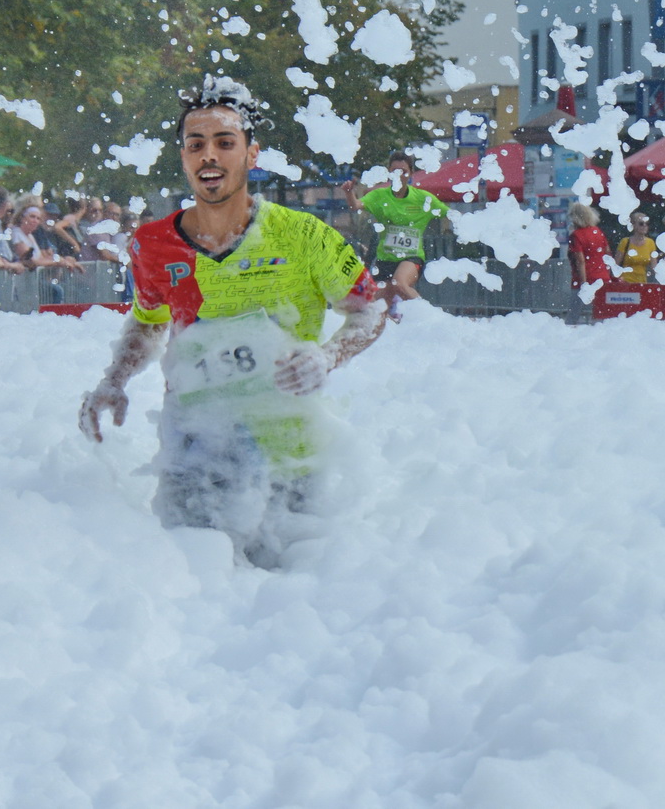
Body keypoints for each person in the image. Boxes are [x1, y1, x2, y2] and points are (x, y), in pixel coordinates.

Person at [78, 76, 385, 569]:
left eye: (225, 142)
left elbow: (369, 311)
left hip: (289, 454)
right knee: (192, 586)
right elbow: (148, 321)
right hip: (194, 450)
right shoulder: (154, 245)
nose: (209, 156)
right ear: (183, 157)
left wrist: (326, 357)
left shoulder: (303, 235)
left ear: (251, 154)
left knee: (296, 603)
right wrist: (113, 380)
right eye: (195, 144)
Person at [341, 150, 450, 303]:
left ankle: (431, 316)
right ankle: (400, 324)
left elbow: (452, 215)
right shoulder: (379, 196)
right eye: (395, 171)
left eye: (403, 172)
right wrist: (349, 193)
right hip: (384, 261)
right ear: (389, 173)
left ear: (411, 173)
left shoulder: (422, 198)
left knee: (399, 283)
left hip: (411, 259)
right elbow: (356, 205)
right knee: (376, 309)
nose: (399, 175)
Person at [566, 202, 612, 312]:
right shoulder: (598, 232)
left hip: (585, 278)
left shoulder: (576, 235)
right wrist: (608, 274)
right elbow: (608, 253)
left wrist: (583, 284)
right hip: (602, 278)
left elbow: (580, 261)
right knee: (600, 315)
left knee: (574, 316)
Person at [614, 213, 658, 283]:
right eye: (641, 223)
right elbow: (615, 264)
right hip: (625, 282)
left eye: (647, 223)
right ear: (633, 225)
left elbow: (654, 267)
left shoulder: (651, 243)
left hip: (642, 282)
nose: (644, 226)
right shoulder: (625, 242)